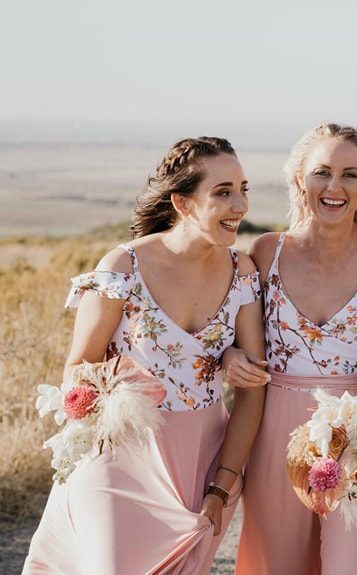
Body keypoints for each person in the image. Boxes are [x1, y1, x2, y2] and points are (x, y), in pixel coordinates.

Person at [23, 137, 266, 574]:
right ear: (183, 203)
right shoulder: (123, 267)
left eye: (243, 189)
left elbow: (252, 394)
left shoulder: (243, 273)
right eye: (223, 191)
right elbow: (78, 369)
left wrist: (221, 487)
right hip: (120, 459)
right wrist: (129, 390)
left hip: (201, 465)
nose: (240, 204)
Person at [226, 124, 357, 575]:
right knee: (281, 564)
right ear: (299, 179)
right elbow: (231, 334)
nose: (334, 187)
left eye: (349, 175)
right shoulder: (265, 251)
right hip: (276, 432)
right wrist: (230, 356)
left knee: (353, 566)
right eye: (322, 172)